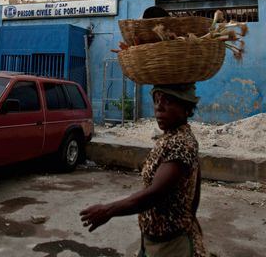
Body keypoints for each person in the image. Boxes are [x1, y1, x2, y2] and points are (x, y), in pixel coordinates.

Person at [80, 83, 206, 257]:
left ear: (186, 108)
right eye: (156, 100)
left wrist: (107, 211)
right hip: (154, 241)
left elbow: (154, 194)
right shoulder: (172, 136)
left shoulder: (181, 144)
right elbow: (196, 183)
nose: (159, 107)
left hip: (170, 246)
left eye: (168, 101)